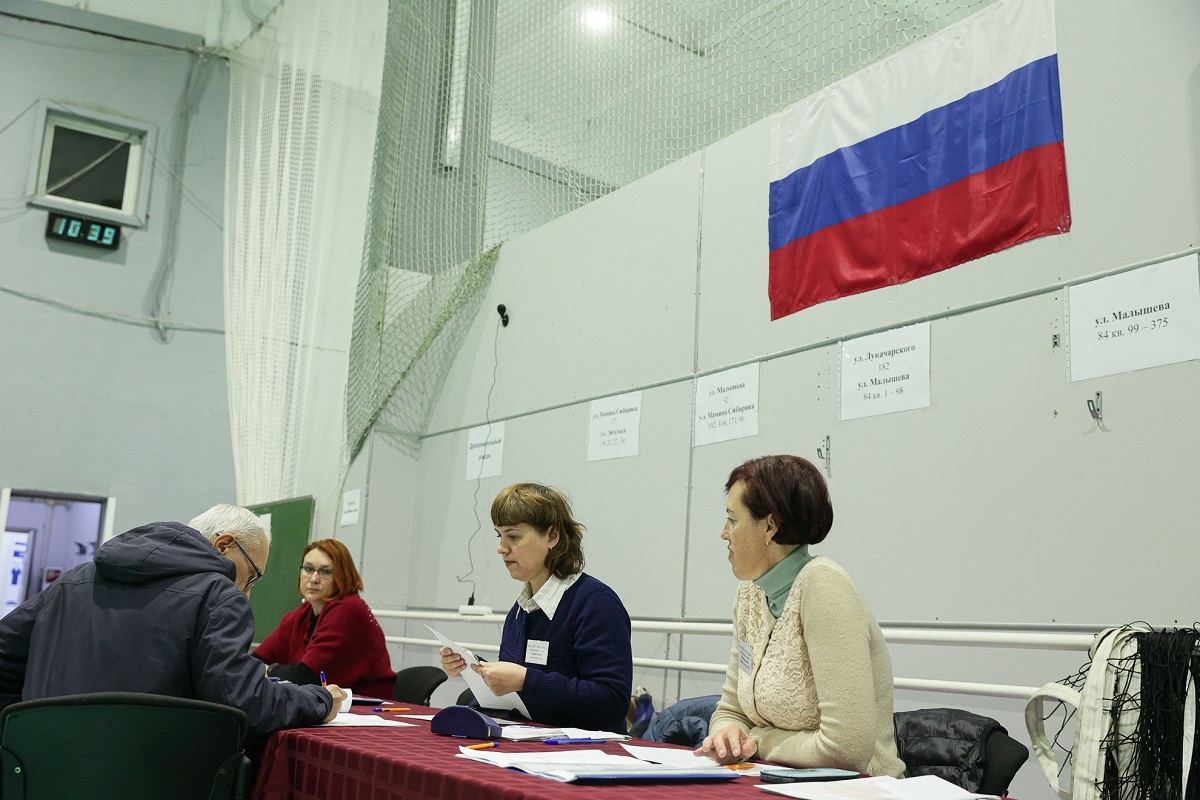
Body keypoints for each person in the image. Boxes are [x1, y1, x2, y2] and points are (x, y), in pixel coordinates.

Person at [0, 504, 346, 738]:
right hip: (156, 777)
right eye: (252, 577)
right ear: (224, 545)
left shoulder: (71, 581)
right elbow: (244, 702)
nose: (247, 592)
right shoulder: (218, 595)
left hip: (44, 772)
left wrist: (25, 728)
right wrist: (319, 700)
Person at [696, 456, 905, 777]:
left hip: (859, 790)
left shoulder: (823, 586)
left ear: (770, 525)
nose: (724, 533)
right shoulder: (750, 592)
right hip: (777, 782)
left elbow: (846, 750)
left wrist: (756, 739)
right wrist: (728, 733)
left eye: (732, 520)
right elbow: (731, 709)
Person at [439, 482, 632, 733]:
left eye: (514, 536)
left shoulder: (596, 603)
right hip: (531, 743)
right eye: (500, 535)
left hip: (586, 753)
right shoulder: (520, 609)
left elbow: (611, 701)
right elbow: (522, 694)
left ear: (552, 536)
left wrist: (524, 680)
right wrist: (477, 669)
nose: (501, 548)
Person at [253, 539, 396, 699]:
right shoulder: (302, 613)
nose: (314, 578)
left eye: (325, 571)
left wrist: (269, 670)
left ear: (342, 576)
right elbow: (255, 660)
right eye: (308, 569)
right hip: (328, 705)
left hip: (367, 707)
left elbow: (307, 675)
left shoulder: (349, 608)